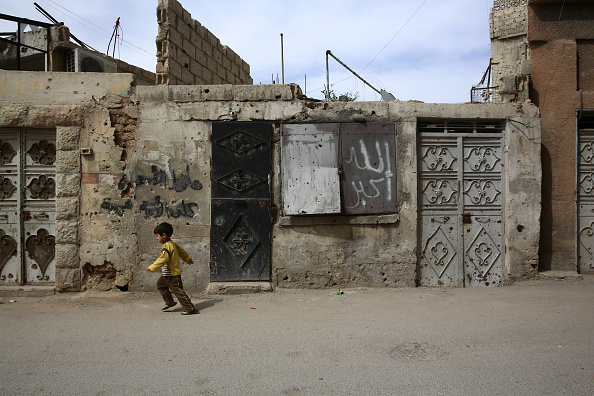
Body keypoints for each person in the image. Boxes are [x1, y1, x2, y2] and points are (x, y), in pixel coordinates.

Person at [146, 222, 198, 315]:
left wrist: (152, 267)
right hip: (167, 274)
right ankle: (170, 302)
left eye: (157, 236)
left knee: (178, 291)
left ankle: (190, 308)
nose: (156, 238)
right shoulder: (173, 244)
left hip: (172, 274)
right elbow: (182, 252)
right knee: (161, 285)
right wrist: (187, 259)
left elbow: (163, 258)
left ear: (164, 235)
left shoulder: (166, 246)